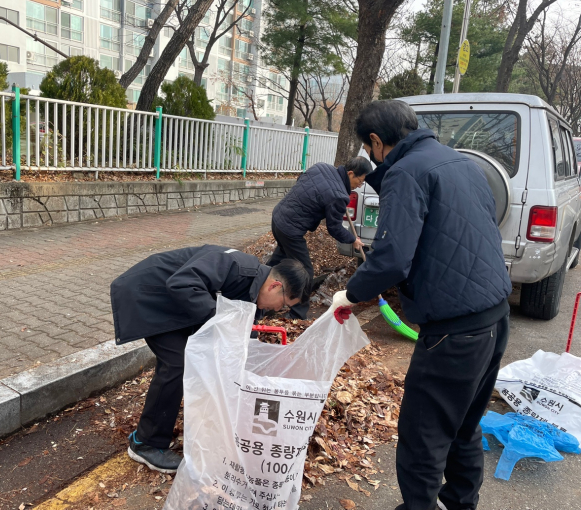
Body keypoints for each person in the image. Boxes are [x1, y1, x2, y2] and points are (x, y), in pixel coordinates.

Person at [330, 100, 511, 510]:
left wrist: (352, 294)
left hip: (453, 330)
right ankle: (459, 503)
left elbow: (392, 257)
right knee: (464, 426)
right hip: (495, 317)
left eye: (371, 148)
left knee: (422, 436)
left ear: (376, 142)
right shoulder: (462, 163)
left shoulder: (407, 173)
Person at [110, 245, 311, 473]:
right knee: (178, 363)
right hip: (148, 294)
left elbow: (246, 322)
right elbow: (181, 284)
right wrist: (222, 322)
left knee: (199, 357)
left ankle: (186, 428)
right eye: (283, 305)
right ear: (275, 286)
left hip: (174, 303)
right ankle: (145, 443)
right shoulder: (237, 267)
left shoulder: (255, 283)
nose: (279, 310)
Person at [268, 157, 372, 319]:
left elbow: (301, 179)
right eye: (360, 180)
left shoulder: (321, 167)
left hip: (279, 217)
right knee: (306, 271)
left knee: (277, 262)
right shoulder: (338, 196)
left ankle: (256, 294)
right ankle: (297, 313)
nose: (360, 185)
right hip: (290, 229)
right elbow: (335, 228)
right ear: (350, 173)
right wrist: (353, 240)